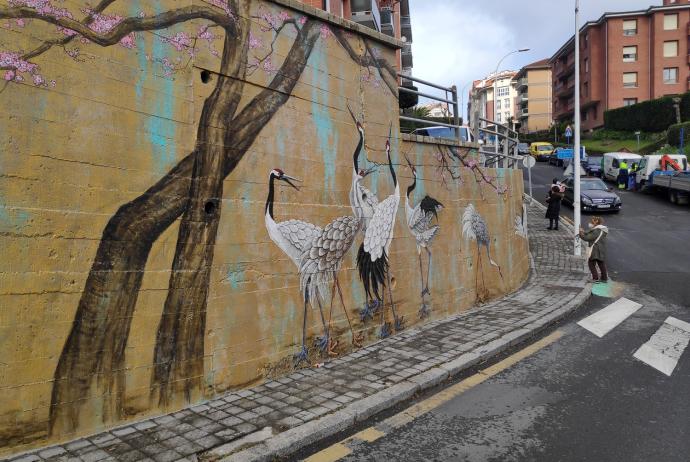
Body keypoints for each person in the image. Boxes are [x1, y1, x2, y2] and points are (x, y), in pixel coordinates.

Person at [579, 216, 609, 283]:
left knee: (591, 263)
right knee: (601, 263)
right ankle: (604, 278)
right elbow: (590, 232)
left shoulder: (596, 231)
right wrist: (584, 231)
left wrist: (581, 233)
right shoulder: (602, 229)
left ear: (596, 222)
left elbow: (587, 238)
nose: (590, 223)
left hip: (595, 249)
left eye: (591, 222)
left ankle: (595, 278)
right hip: (601, 249)